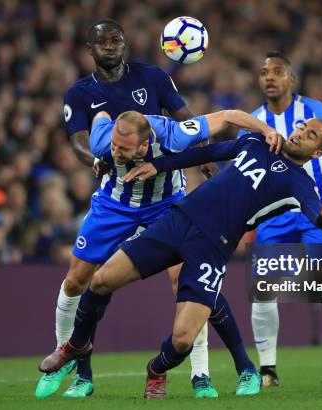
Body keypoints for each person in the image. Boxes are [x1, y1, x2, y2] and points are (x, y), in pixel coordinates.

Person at [38, 118, 322, 400]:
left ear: (317, 152)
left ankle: (156, 369)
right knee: (102, 280)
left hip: (213, 246)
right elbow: (205, 153)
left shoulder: (300, 183)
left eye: (311, 134)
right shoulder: (256, 142)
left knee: (182, 340)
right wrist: (159, 166)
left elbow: (313, 208)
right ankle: (75, 346)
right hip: (180, 220)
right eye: (301, 126)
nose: (300, 132)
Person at [39, 17, 200, 398]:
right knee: (77, 280)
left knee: (184, 279)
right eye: (101, 41)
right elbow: (78, 141)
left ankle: (200, 375)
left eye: (116, 39)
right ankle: (76, 371)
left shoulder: (154, 78)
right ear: (89, 49)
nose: (109, 45)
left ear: (124, 45)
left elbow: (186, 120)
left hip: (163, 199)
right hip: (115, 202)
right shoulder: (79, 94)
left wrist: (202, 154)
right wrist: (92, 160)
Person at [243, 51, 322, 387]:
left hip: (319, 212)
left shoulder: (316, 112)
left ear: (291, 79)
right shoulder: (254, 120)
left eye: (277, 71)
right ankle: (267, 369)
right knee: (264, 289)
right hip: (274, 215)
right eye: (264, 71)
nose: (269, 77)